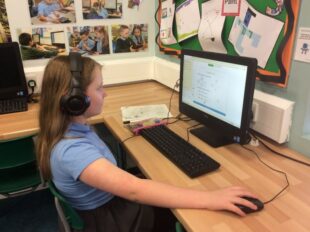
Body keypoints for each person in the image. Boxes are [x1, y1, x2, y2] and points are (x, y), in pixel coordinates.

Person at [36, 54, 259, 231]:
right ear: (74, 99)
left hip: (106, 205)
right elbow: (133, 190)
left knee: (166, 183)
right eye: (99, 88)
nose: (106, 94)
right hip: (110, 219)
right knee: (197, 217)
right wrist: (211, 198)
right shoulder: (72, 150)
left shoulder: (70, 127)